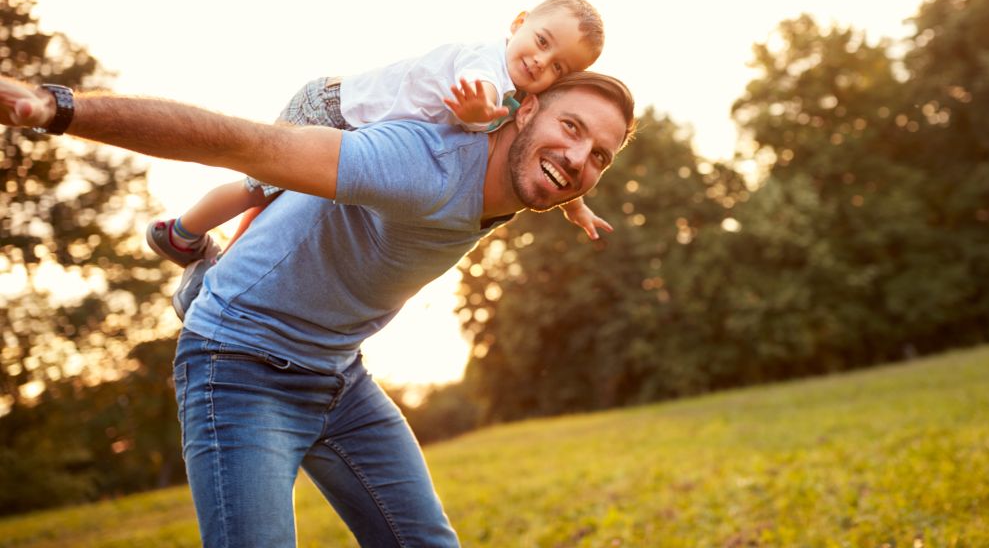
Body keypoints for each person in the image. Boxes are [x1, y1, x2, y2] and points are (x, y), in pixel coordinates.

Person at [0, 68, 636, 547]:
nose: (580, 158)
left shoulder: (517, 163)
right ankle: (197, 266)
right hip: (239, 364)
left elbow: (554, 161)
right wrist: (58, 108)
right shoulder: (419, 165)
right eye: (570, 128)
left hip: (336, 372)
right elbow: (243, 144)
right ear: (522, 113)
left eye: (600, 156)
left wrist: (572, 187)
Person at [147, 0, 612, 271]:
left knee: (277, 200)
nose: (539, 61)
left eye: (558, 67)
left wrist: (576, 206)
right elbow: (478, 97)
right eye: (542, 41)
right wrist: (478, 108)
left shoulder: (516, 94)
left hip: (354, 126)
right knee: (259, 188)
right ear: (519, 23)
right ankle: (181, 233)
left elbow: (534, 149)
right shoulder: (488, 64)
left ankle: (226, 261)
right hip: (333, 110)